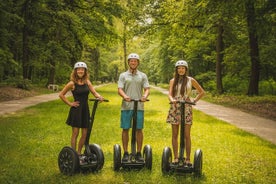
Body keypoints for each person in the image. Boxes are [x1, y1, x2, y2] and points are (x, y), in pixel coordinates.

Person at [59, 61, 104, 160]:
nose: (80, 71)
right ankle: (73, 154)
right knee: (75, 133)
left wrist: (99, 97)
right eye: (78, 69)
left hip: (85, 110)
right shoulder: (72, 83)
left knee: (85, 133)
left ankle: (79, 154)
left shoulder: (87, 82)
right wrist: (70, 103)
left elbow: (94, 92)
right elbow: (61, 95)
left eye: (82, 69)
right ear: (75, 71)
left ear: (85, 71)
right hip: (76, 111)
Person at [166, 60, 205, 165]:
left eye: (183, 68)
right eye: (179, 68)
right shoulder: (172, 81)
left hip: (186, 107)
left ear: (186, 69)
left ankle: (187, 158)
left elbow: (202, 92)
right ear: (176, 69)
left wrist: (194, 100)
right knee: (175, 134)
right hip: (175, 107)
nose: (181, 70)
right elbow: (169, 94)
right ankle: (175, 157)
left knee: (186, 134)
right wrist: (172, 99)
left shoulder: (190, 80)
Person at [118, 53, 150, 162]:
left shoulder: (142, 75)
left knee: (139, 129)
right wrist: (125, 96)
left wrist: (145, 96)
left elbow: (147, 88)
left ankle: (139, 153)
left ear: (138, 63)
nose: (133, 62)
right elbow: (120, 89)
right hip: (126, 106)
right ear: (128, 62)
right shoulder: (123, 75)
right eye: (131, 61)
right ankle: (126, 152)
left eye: (135, 61)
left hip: (139, 106)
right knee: (125, 129)